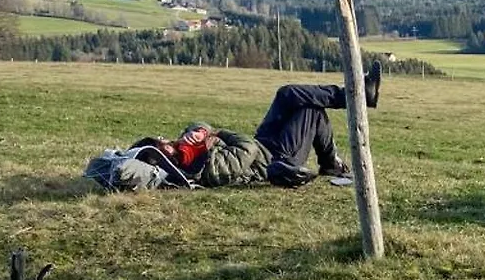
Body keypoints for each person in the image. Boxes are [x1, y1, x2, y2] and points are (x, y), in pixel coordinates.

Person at [138, 62, 381, 189]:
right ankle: (331, 161)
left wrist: (198, 130)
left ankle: (355, 94)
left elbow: (197, 124)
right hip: (277, 160)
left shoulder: (184, 148)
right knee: (311, 111)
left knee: (287, 93)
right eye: (162, 144)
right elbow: (246, 151)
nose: (165, 140)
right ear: (164, 157)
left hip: (265, 142)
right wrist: (216, 133)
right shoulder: (201, 168)